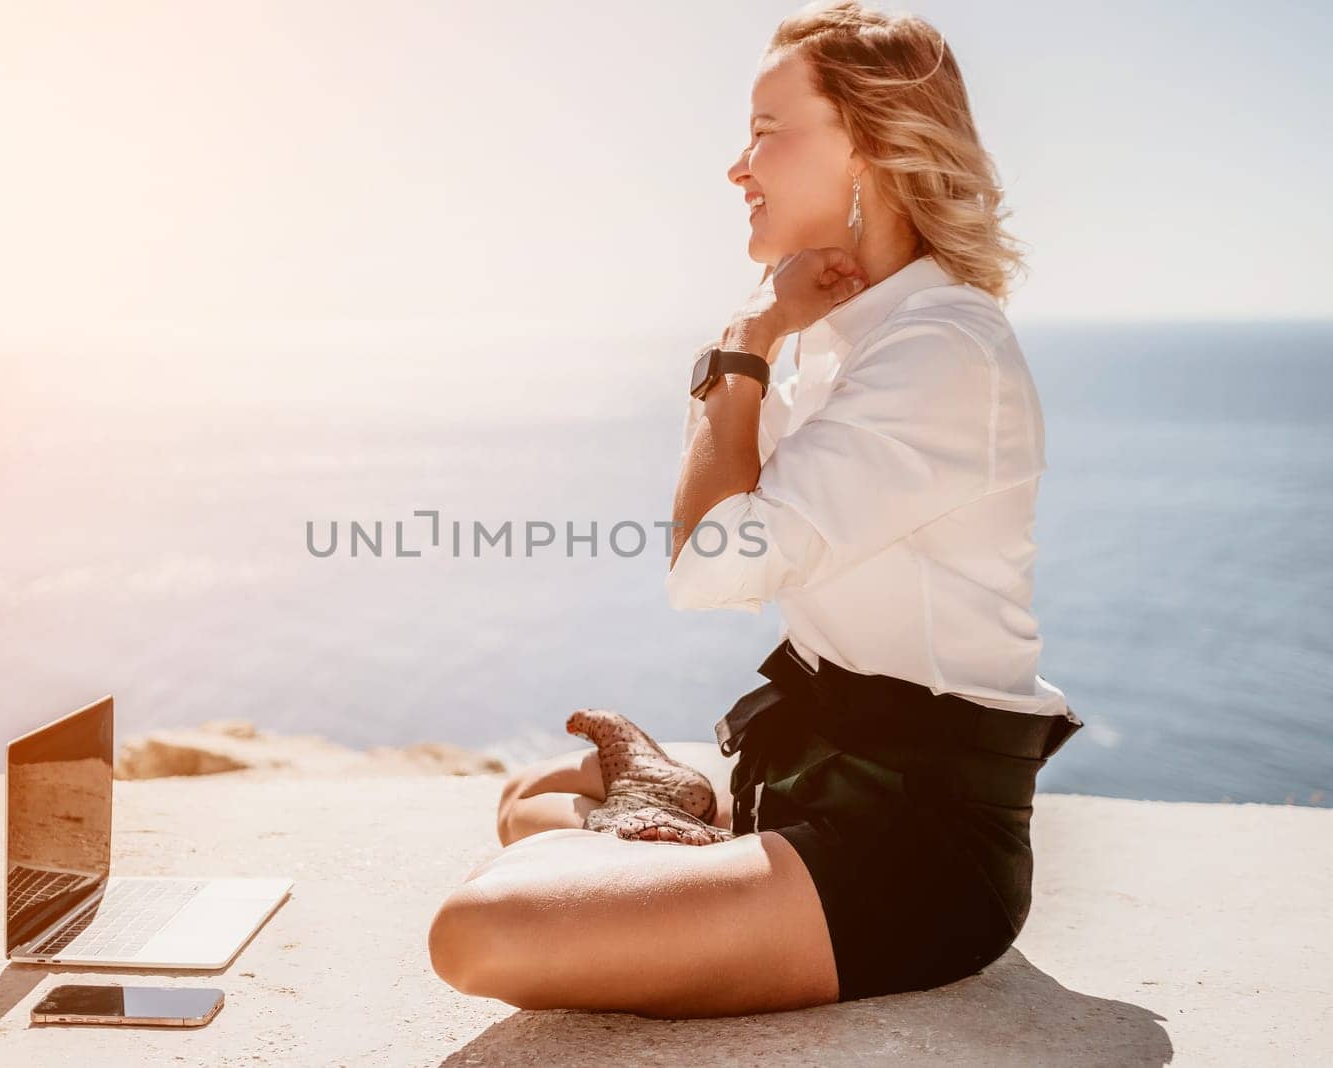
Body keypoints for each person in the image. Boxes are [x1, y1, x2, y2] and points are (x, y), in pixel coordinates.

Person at [428, 0, 1083, 1016]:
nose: (739, 165)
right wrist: (771, 331)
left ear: (869, 148)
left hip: (914, 847)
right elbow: (716, 546)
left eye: (769, 133)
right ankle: (686, 811)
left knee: (480, 932)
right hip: (811, 785)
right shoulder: (837, 340)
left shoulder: (940, 352)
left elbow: (712, 566)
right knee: (531, 805)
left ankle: (680, 820)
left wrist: (739, 348)